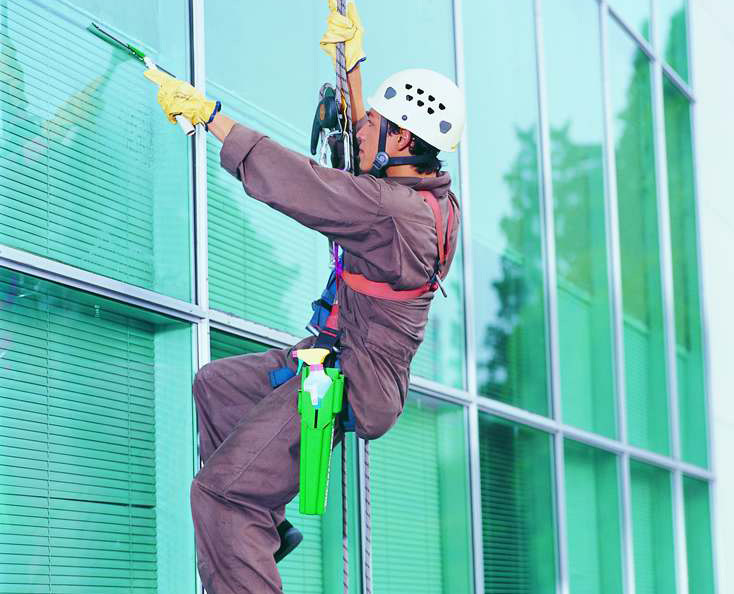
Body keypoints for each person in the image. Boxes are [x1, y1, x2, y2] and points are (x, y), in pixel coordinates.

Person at [144, 2, 465, 592]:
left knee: (219, 496)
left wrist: (211, 119)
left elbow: (307, 185)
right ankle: (267, 524)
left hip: (349, 380)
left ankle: (246, 524)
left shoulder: (393, 214)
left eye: (373, 124)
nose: (361, 129)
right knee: (216, 385)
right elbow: (363, 171)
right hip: (333, 360)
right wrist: (352, 66)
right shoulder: (424, 199)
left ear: (400, 137)